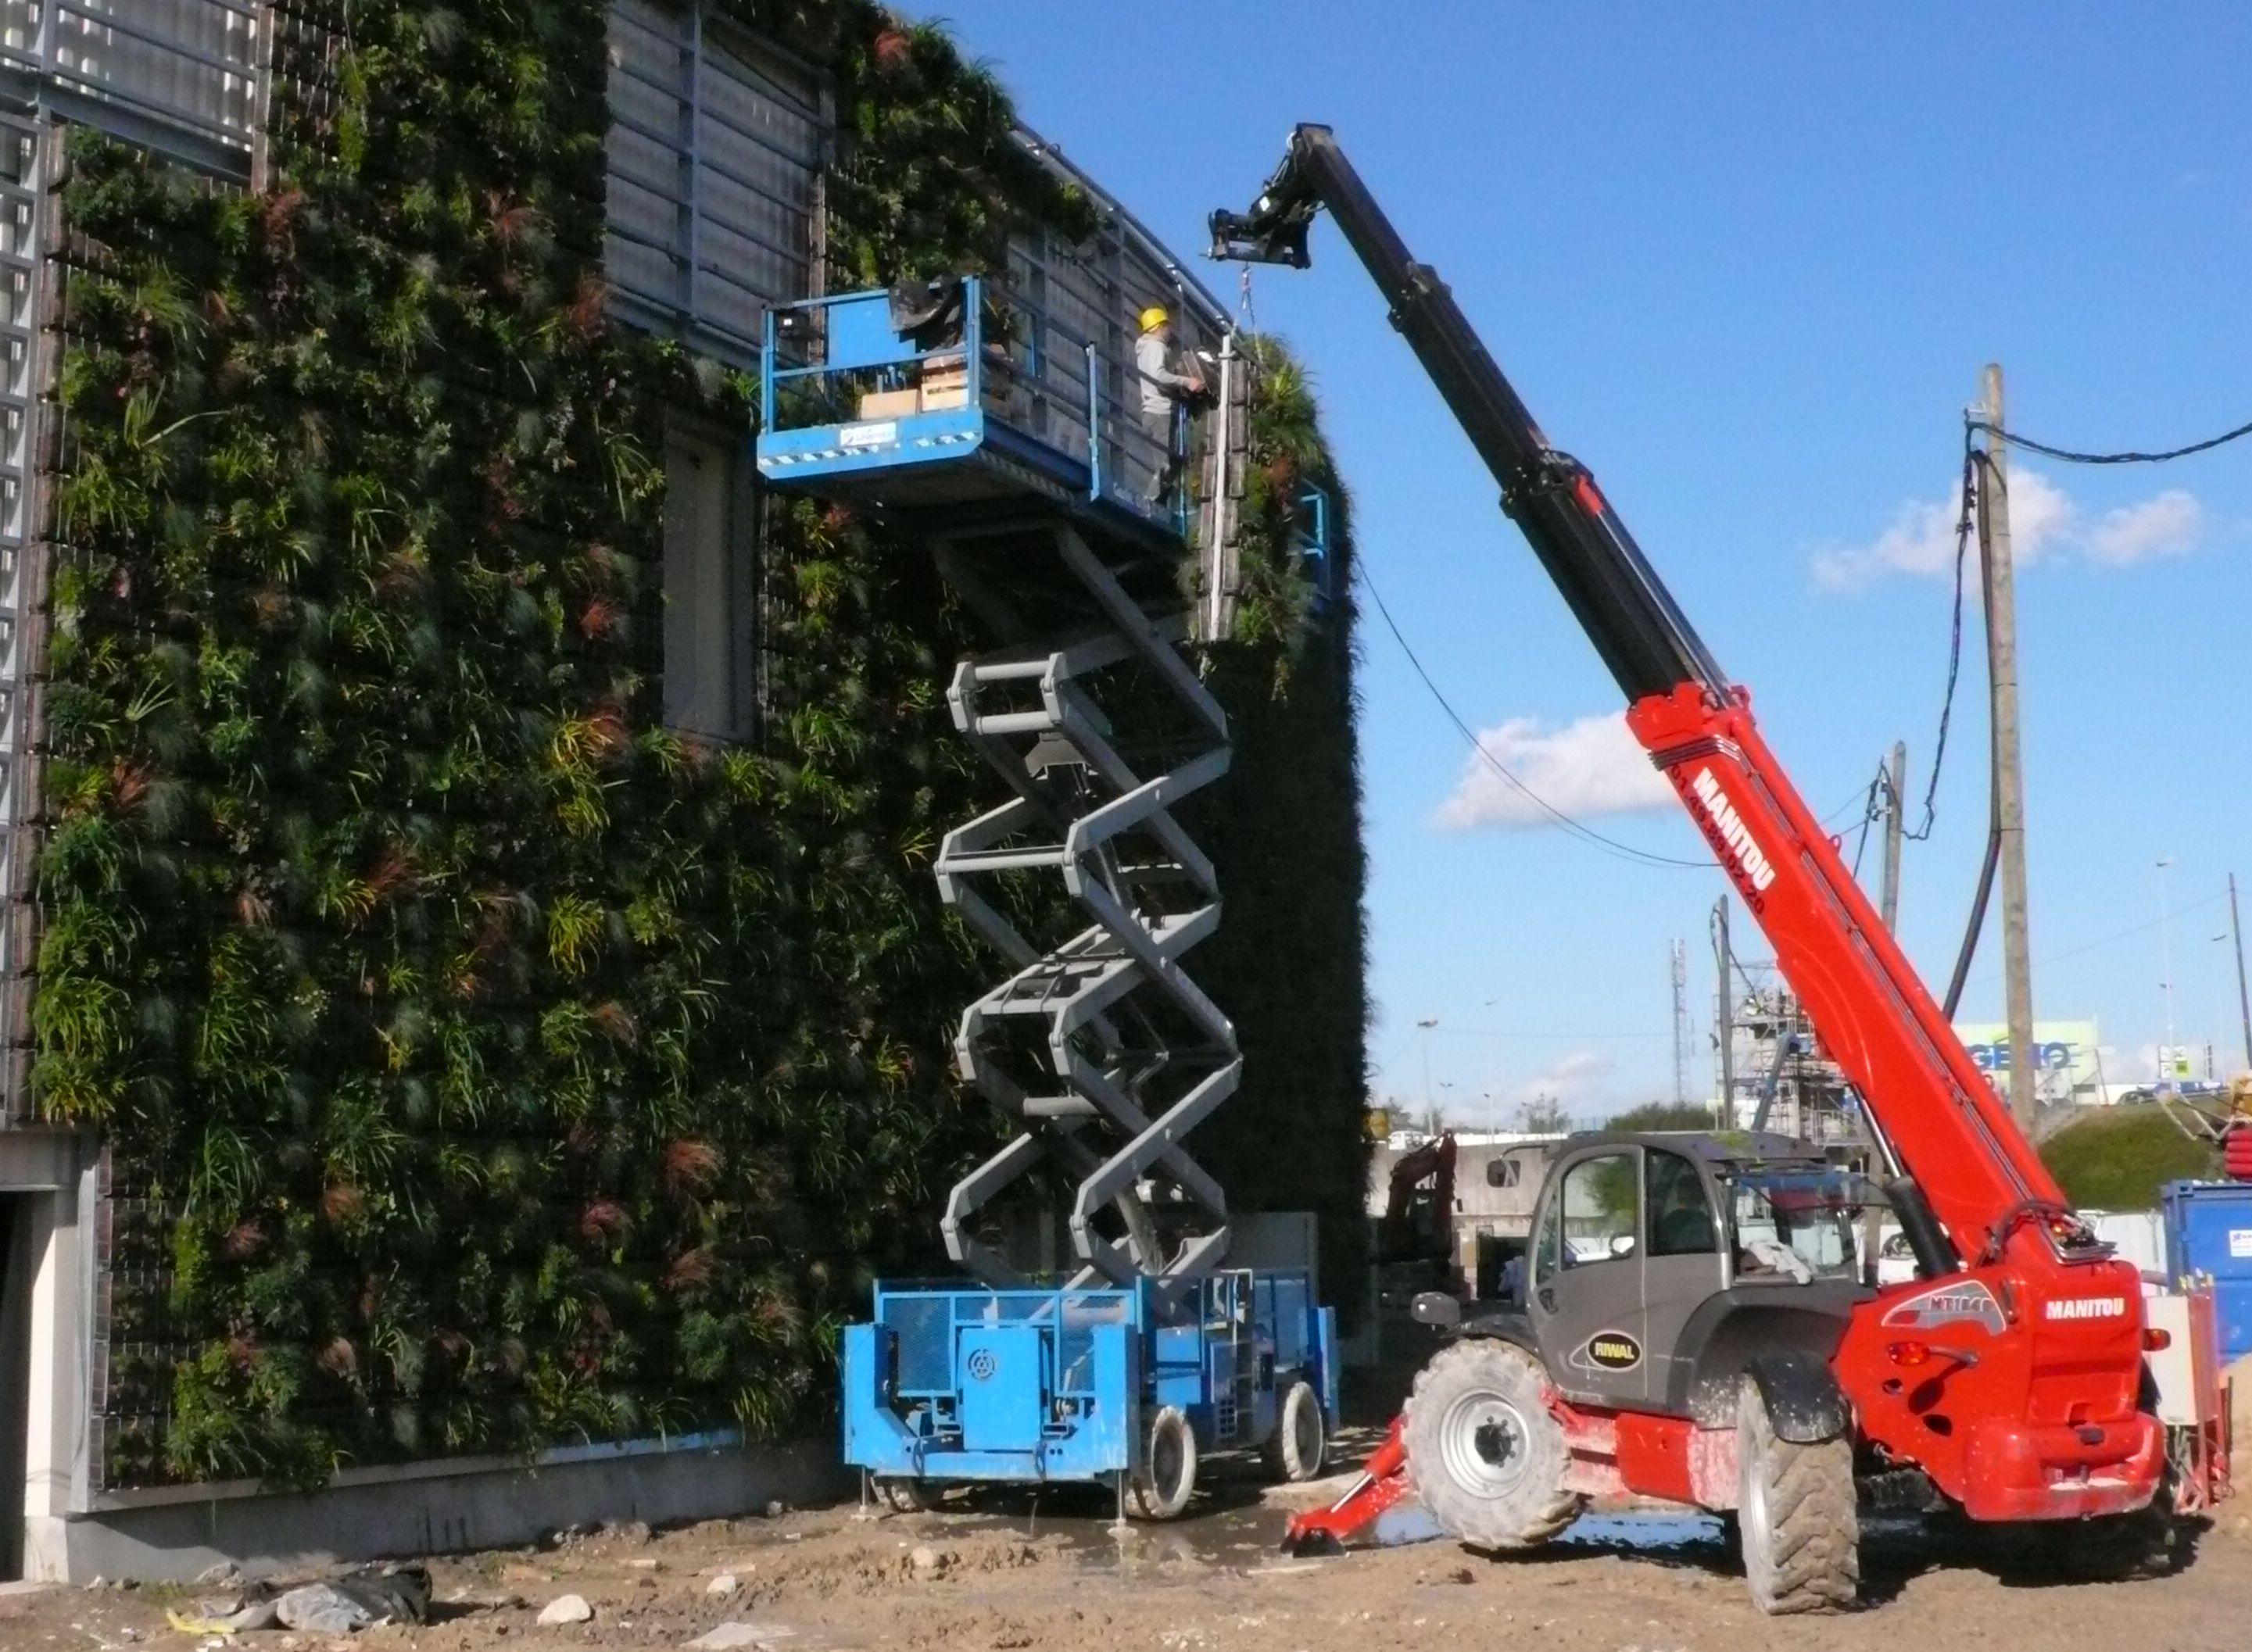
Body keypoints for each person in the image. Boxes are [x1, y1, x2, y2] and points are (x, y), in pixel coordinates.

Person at [1133, 304, 1203, 505]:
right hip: (1160, 412)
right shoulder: (1156, 346)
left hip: (1151, 413)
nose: (1170, 330)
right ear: (1160, 326)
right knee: (1166, 465)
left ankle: (1157, 505)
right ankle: (1148, 505)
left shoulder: (1145, 349)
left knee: (1173, 462)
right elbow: (1159, 375)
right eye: (1167, 325)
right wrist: (1187, 382)